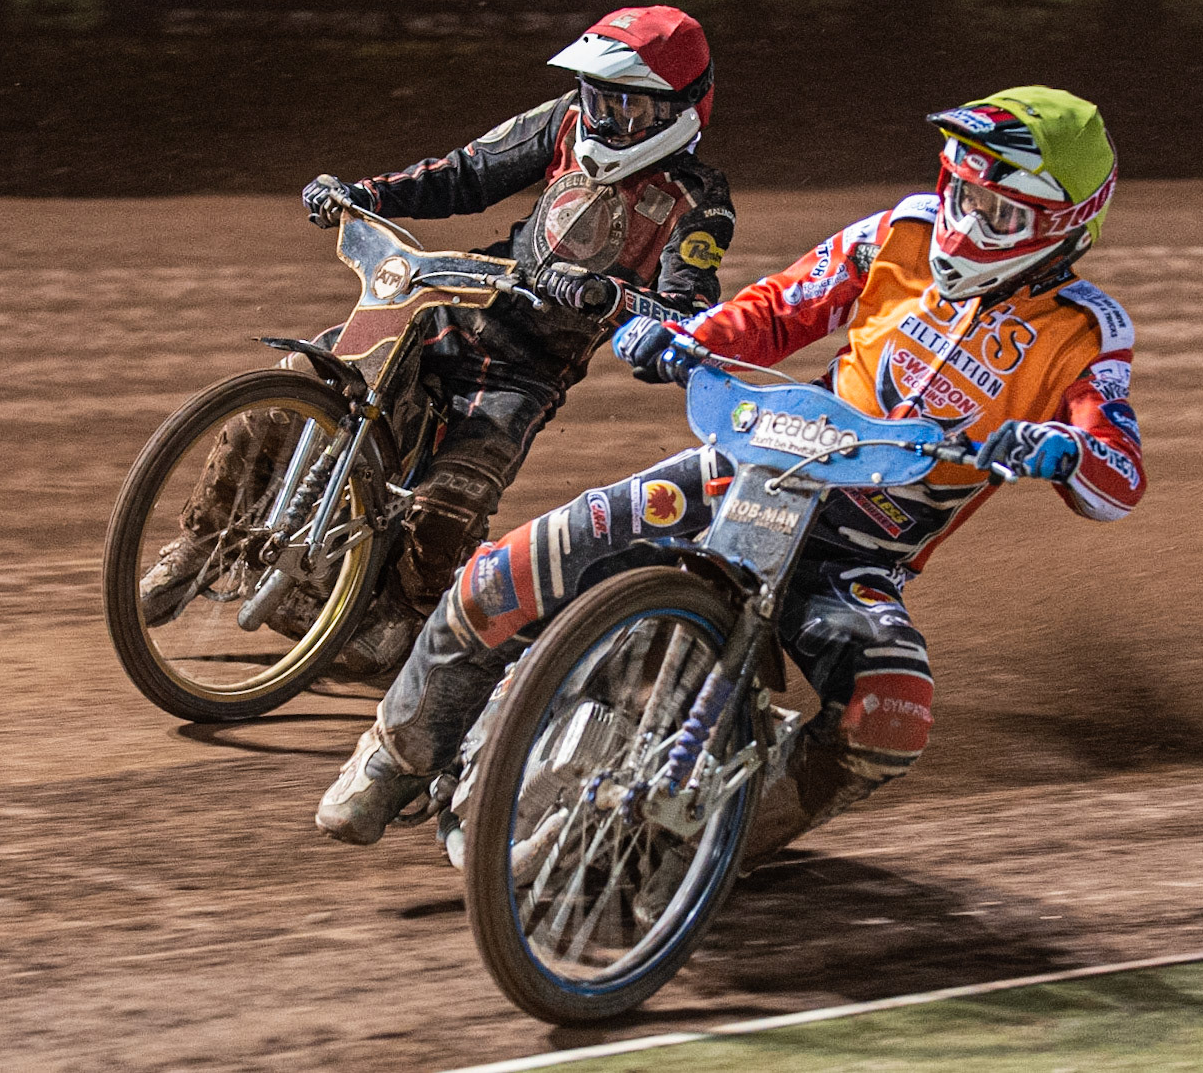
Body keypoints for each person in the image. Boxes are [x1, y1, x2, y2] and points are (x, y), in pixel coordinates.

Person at [316, 86, 1145, 859]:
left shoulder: (1084, 330)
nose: (970, 218)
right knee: (516, 564)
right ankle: (392, 758)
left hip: (855, 557)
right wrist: (691, 338)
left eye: (1000, 209)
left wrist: (1061, 448)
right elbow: (783, 305)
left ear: (1064, 224)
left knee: (891, 713)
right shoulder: (901, 231)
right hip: (752, 465)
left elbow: (1119, 472)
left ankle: (703, 850)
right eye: (965, 193)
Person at [139, 6, 736, 679]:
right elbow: (465, 172)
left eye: (627, 107)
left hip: (524, 368)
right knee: (298, 378)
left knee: (450, 501)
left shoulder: (698, 200)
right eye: (598, 97)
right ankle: (200, 541)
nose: (605, 117)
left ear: (678, 111)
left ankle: (405, 613)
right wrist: (362, 193)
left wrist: (614, 297)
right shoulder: (563, 122)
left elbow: (689, 314)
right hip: (441, 304)